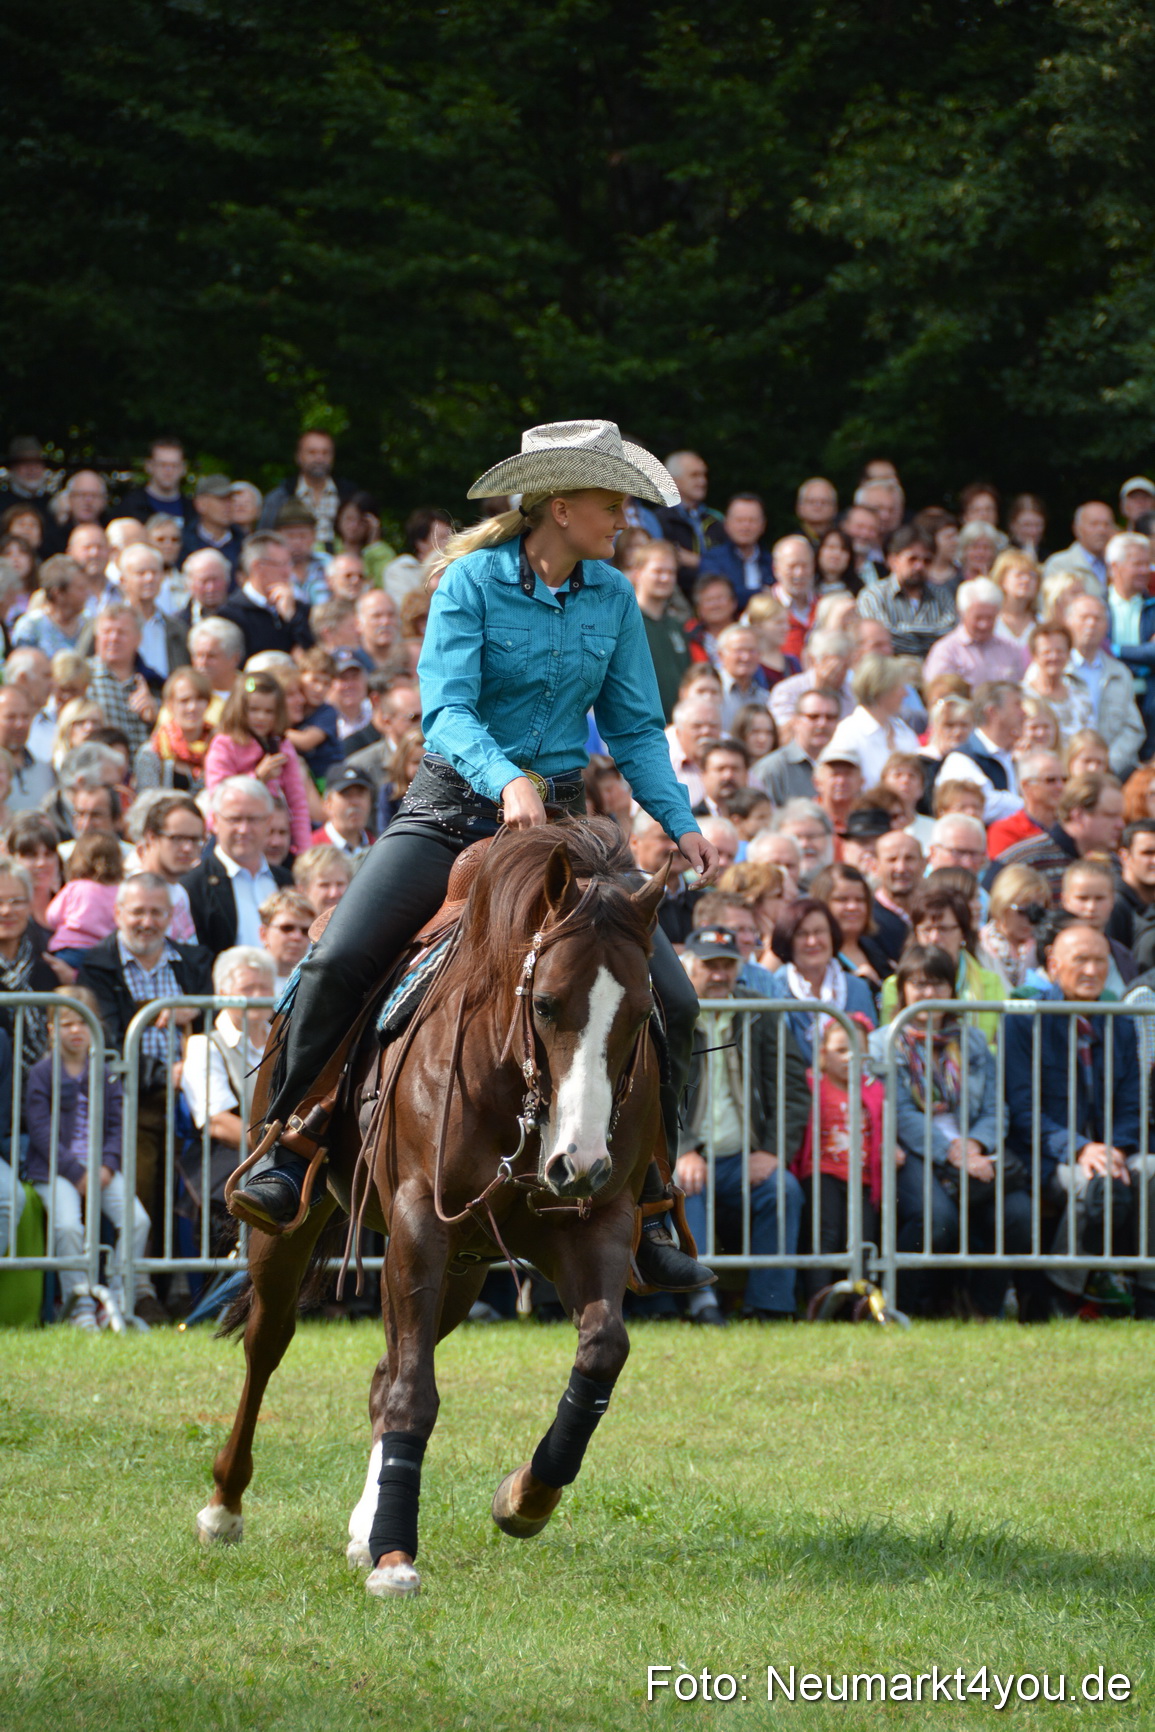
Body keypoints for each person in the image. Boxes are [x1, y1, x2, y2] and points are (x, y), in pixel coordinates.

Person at [230, 420, 719, 1295]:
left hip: (560, 832)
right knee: (339, 959)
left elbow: (637, 729)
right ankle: (290, 1145)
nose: (625, 522)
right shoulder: (470, 584)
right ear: (560, 507)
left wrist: (678, 820)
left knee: (673, 1003)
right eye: (613, 505)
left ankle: (646, 1203)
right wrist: (505, 781)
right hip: (450, 813)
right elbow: (448, 713)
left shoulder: (611, 597)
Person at [873, 943, 1030, 1318]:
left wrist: (974, 1145)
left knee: (1019, 1214)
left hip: (974, 1149)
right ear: (904, 990)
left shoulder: (972, 1041)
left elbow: (995, 1107)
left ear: (952, 989)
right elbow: (899, 1114)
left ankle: (981, 1306)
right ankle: (902, 1306)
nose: (929, 994)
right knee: (937, 1218)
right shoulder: (884, 1042)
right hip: (913, 1150)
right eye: (920, 984)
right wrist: (953, 1151)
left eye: (938, 984)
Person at [1004, 924, 1148, 1316]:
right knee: (1092, 1183)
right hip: (1048, 1155)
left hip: (1112, 1150)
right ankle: (1062, 1293)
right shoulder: (1024, 1020)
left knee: (1151, 1170)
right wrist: (1081, 1148)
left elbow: (1133, 1103)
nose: (1091, 970)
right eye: (1080, 959)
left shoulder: (1118, 1019)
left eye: (1099, 960)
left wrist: (1115, 1148)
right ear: (1053, 965)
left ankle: (1148, 1289)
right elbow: (1022, 1111)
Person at [675, 926, 809, 1324]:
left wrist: (772, 1151)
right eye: (710, 965)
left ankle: (770, 1304)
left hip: (744, 1157)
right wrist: (682, 1150)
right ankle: (701, 1302)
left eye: (728, 966)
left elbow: (793, 1090)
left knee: (783, 1190)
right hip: (686, 1157)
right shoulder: (669, 1011)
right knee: (685, 1188)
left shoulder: (760, 1011)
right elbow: (655, 1094)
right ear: (689, 966)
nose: (719, 975)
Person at [25, 986, 152, 1326]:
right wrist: (75, 1171)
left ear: (96, 1025)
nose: (76, 1031)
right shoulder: (41, 1074)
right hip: (56, 1170)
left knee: (138, 1221)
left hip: (100, 1169)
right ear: (52, 1029)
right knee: (68, 1226)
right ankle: (77, 1304)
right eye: (67, 1024)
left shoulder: (106, 1071)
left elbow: (117, 1124)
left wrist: (108, 1164)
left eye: (84, 1022)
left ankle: (116, 1298)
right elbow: (40, 1132)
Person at [180, 947, 276, 1229]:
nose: (258, 996)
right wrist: (276, 1148)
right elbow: (217, 1123)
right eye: (248, 988)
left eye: (265, 987)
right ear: (222, 993)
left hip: (285, 1161)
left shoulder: (283, 1043)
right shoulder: (205, 1045)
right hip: (230, 1170)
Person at [792, 1015, 884, 1301]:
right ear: (823, 1053)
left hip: (863, 1178)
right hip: (823, 1174)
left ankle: (859, 1305)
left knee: (863, 1240)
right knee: (825, 1236)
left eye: (859, 1050)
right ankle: (820, 1301)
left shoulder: (875, 1090)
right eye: (842, 1050)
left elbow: (882, 1129)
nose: (851, 1057)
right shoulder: (812, 1083)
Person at [204, 672, 312, 856]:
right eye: (253, 710)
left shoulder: (282, 745)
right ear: (239, 709)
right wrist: (257, 778)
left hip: (272, 834)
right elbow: (218, 794)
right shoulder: (224, 744)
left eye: (269, 711)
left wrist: (304, 851)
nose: (261, 717)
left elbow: (298, 802)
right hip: (233, 836)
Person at [181, 776, 292, 953]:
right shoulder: (193, 887)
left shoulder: (287, 881)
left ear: (268, 822)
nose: (244, 829)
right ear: (215, 822)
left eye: (253, 819)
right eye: (234, 819)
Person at [762, 897, 876, 1054]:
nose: (812, 941)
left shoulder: (858, 988)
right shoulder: (774, 989)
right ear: (788, 939)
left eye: (819, 931)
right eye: (802, 934)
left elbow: (871, 1049)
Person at [987, 770, 1124, 899]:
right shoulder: (1025, 861)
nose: (1120, 824)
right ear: (1078, 815)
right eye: (1110, 816)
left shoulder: (1113, 865)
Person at [1065, 593, 1145, 778]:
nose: (1091, 624)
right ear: (1068, 622)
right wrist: (1075, 765)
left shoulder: (1119, 672)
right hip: (1067, 773)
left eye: (1098, 618)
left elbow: (1134, 728)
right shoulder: (1055, 668)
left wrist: (1106, 763)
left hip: (1113, 773)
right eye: (1084, 618)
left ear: (1107, 626)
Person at [856, 525, 955, 657]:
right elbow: (883, 639)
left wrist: (903, 630)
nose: (919, 566)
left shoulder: (942, 595)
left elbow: (951, 635)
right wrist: (931, 636)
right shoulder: (873, 596)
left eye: (927, 561)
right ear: (893, 561)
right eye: (912, 559)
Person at [936, 680, 1026, 824]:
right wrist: (1029, 806)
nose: (1023, 713)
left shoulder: (1014, 756)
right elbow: (982, 803)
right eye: (1017, 705)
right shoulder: (961, 759)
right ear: (993, 712)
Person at [825, 654, 922, 787]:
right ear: (882, 689)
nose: (905, 693)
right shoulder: (849, 733)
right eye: (900, 687)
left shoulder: (904, 732)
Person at [218, 533, 314, 660]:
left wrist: (293, 618)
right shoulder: (230, 614)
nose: (287, 572)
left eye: (289, 564)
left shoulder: (299, 609)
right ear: (258, 567)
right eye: (281, 564)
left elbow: (315, 654)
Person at [624, 537, 690, 721]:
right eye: (658, 571)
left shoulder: (677, 626)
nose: (666, 578)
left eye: (671, 572)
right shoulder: (622, 622)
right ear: (637, 573)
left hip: (676, 732)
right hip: (638, 730)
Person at [258, 430, 355, 550]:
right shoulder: (279, 497)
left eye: (325, 453)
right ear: (298, 457)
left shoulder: (350, 495)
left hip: (341, 563)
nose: (319, 458)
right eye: (312, 452)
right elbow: (264, 540)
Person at [43, 832, 123, 967]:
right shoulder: (120, 892)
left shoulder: (74, 887)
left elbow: (52, 916)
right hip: (102, 953)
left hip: (68, 949)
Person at [751, 686, 840, 805]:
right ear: (795, 721)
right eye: (813, 717)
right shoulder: (771, 770)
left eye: (830, 717)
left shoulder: (847, 766)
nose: (822, 724)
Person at [652, 449, 726, 592]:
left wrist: (697, 561)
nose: (702, 481)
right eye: (694, 475)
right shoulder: (658, 520)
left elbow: (729, 564)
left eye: (704, 475)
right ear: (673, 480)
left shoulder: (716, 520)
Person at [809, 862, 889, 991]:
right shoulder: (814, 954)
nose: (853, 907)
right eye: (842, 899)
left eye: (860, 900)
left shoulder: (877, 949)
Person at [978, 863, 1051, 988]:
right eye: (1022, 911)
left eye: (1038, 912)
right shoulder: (979, 945)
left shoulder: (1046, 948)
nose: (1030, 919)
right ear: (1002, 904)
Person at [985, 750, 1066, 858]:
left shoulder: (1073, 828)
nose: (1060, 786)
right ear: (1026, 786)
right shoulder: (1005, 832)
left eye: (1065, 780)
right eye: (1050, 780)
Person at [698, 494, 774, 600]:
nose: (746, 526)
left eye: (752, 520)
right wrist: (763, 593)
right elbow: (719, 598)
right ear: (726, 524)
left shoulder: (772, 561)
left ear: (763, 525)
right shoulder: (712, 560)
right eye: (739, 520)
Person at [381, 506, 453, 604]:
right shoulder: (400, 570)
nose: (449, 543)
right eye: (442, 538)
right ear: (421, 543)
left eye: (450, 537)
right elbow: (406, 609)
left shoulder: (456, 569)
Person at [1042, 501, 1116, 591]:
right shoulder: (1060, 565)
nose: (1101, 530)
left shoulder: (1120, 565)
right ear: (1077, 529)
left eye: (1107, 524)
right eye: (1094, 524)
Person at [120, 436, 191, 527]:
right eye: (162, 464)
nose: (168, 470)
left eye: (174, 465)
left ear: (184, 468)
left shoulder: (193, 509)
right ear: (149, 466)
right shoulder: (130, 506)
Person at [310, 764, 375, 856]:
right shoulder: (311, 849)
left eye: (360, 794)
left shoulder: (379, 846)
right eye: (346, 794)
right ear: (327, 803)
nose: (355, 802)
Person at [258, 889, 316, 990]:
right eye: (287, 928)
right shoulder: (245, 980)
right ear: (263, 934)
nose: (297, 937)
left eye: (305, 931)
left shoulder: (317, 983)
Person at [292, 841, 355, 917]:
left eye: (340, 884)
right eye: (324, 885)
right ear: (302, 890)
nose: (334, 893)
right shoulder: (294, 927)